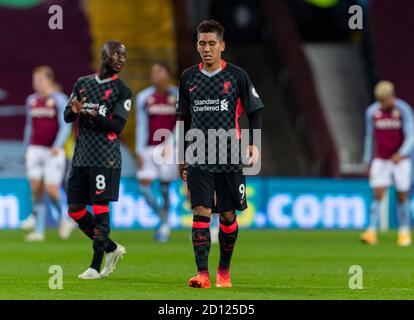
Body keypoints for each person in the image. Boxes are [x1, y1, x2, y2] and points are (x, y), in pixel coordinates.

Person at [176, 20, 263, 288]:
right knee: (201, 210)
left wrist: (253, 143)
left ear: (222, 46)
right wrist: (182, 156)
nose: (207, 48)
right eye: (202, 43)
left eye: (212, 43)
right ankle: (202, 273)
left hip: (229, 154)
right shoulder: (188, 77)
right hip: (199, 154)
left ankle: (223, 270)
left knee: (227, 215)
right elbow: (183, 118)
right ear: (197, 46)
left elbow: (254, 110)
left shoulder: (237, 76)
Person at [64, 40, 132, 279]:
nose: (122, 59)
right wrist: (73, 111)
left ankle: (94, 266)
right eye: (117, 54)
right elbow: (66, 116)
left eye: (124, 56)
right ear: (103, 55)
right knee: (75, 210)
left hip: (105, 158)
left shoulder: (122, 90)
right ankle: (112, 248)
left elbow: (118, 126)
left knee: (101, 211)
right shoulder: (82, 83)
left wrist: (96, 115)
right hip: (81, 157)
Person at [22, 66, 74, 241]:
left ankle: (65, 218)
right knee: (36, 190)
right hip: (35, 149)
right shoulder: (31, 100)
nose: (36, 83)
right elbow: (29, 126)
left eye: (39, 80)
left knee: (51, 189)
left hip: (53, 151)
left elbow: (66, 124)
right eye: (34, 80)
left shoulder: (60, 99)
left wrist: (57, 145)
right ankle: (39, 230)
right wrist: (26, 148)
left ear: (49, 80)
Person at [361, 80, 414, 246]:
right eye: (380, 101)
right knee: (377, 193)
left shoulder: (403, 109)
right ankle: (371, 231)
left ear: (392, 97)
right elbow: (370, 137)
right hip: (381, 159)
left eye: (384, 100)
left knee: (402, 195)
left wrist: (401, 153)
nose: (382, 104)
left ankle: (404, 232)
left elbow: (411, 135)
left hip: (401, 160)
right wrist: (367, 160)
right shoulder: (372, 112)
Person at [135, 61, 179, 242]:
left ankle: (164, 226)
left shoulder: (178, 96)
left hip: (169, 148)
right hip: (148, 148)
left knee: (165, 189)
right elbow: (141, 125)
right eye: (153, 73)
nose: (154, 76)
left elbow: (181, 123)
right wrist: (138, 149)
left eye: (159, 72)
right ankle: (163, 219)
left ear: (167, 75)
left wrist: (170, 143)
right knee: (144, 188)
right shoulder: (144, 97)